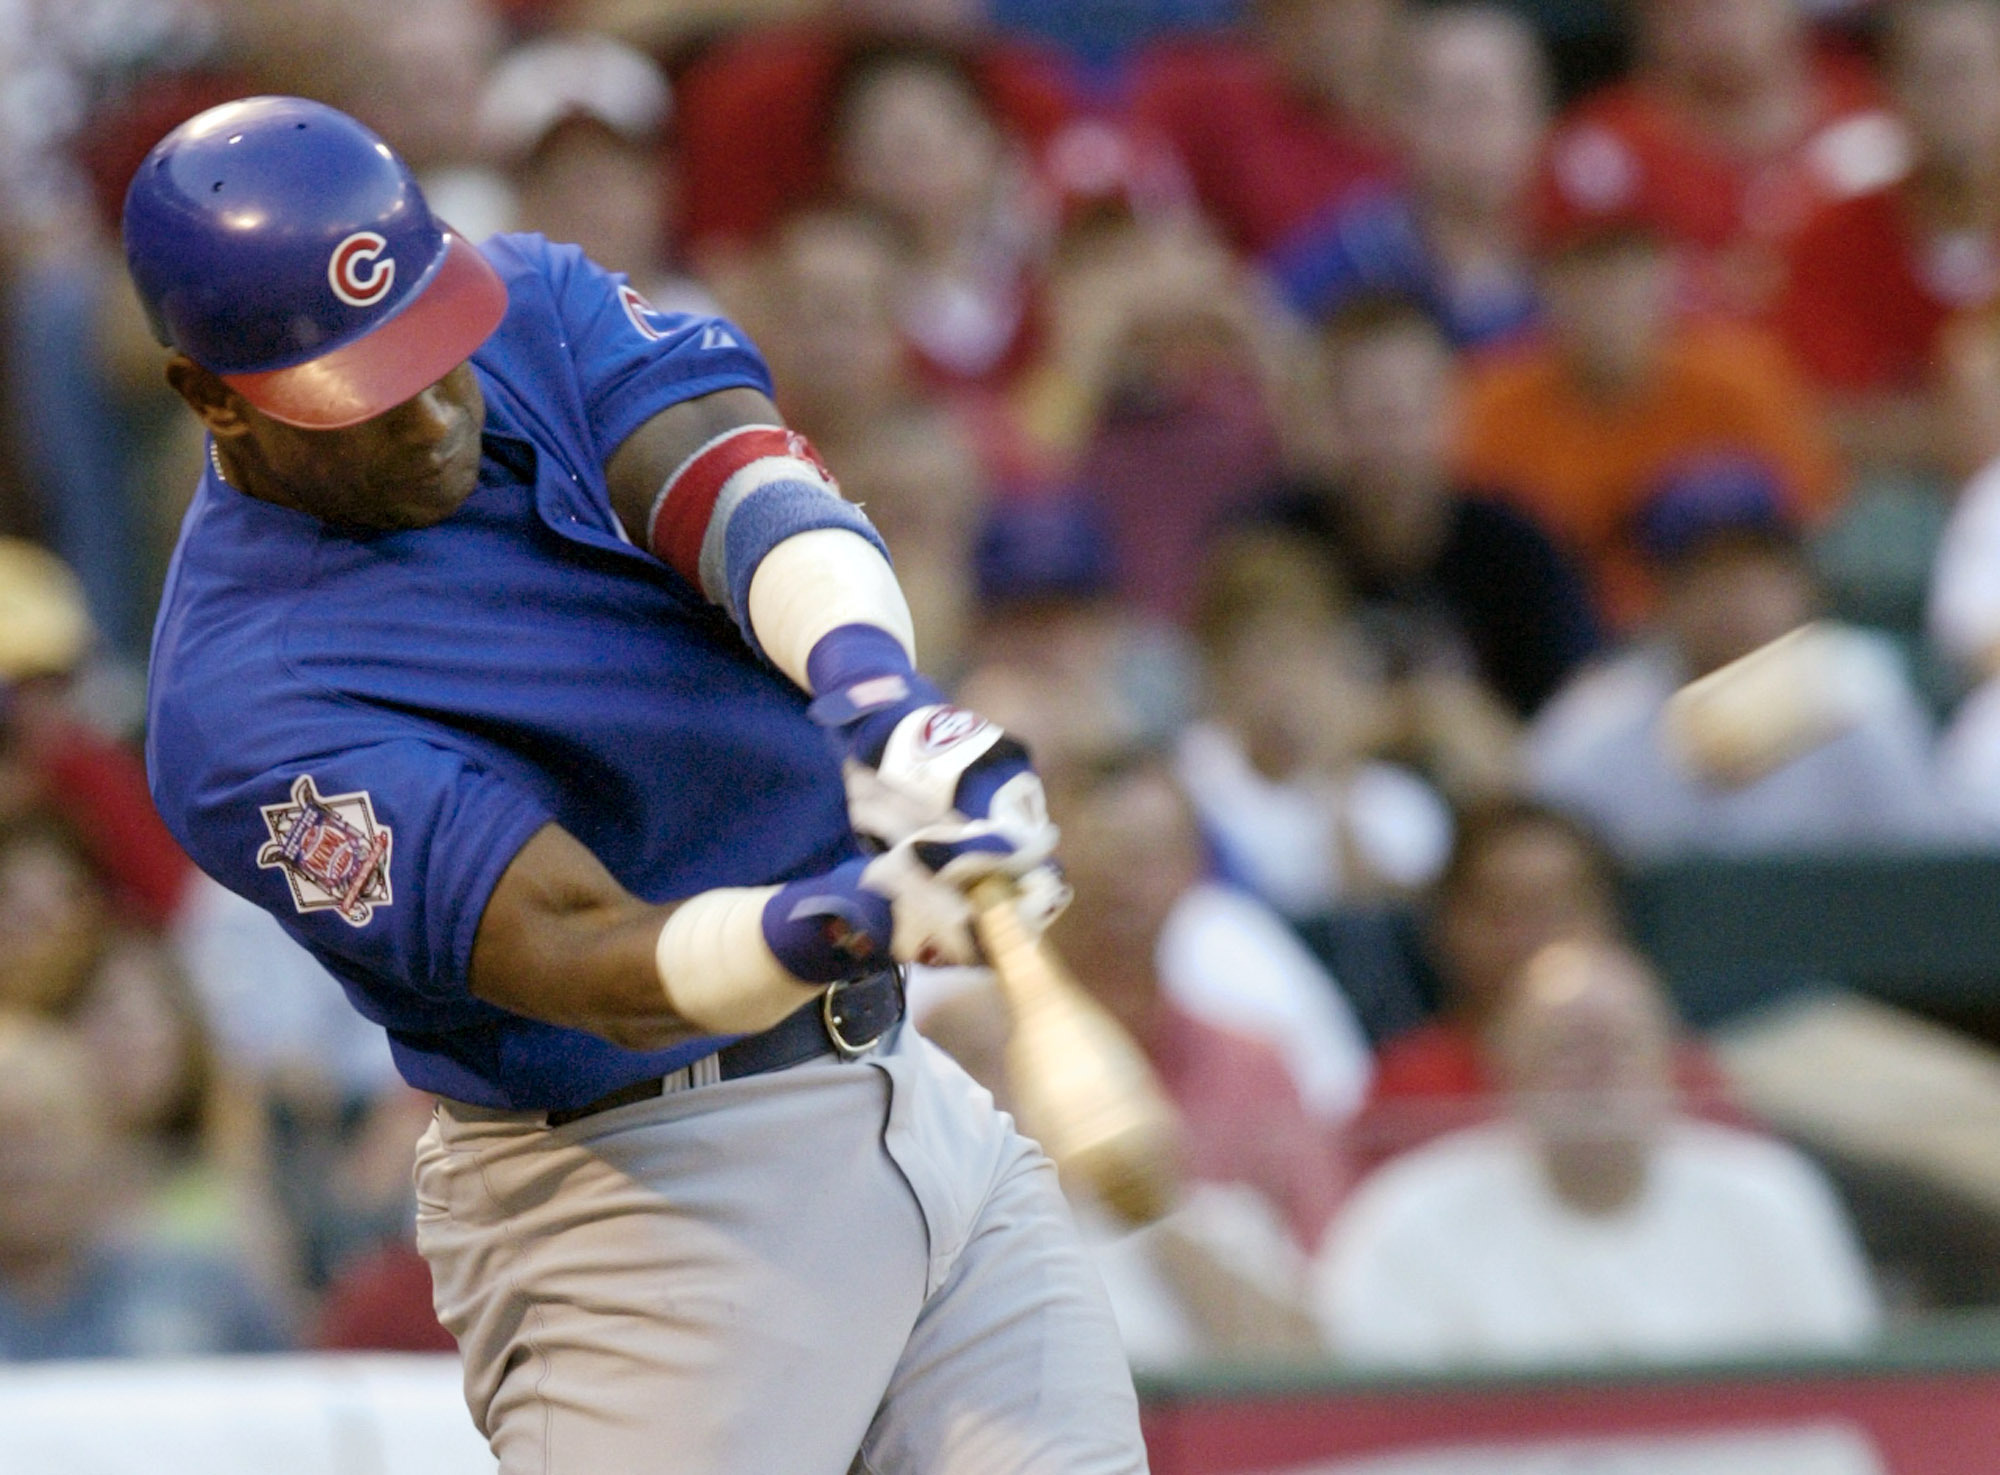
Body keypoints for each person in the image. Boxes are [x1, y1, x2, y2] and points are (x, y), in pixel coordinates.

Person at [125, 98, 1142, 1474]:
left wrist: (882, 702)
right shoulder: (244, 697)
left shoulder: (527, 298)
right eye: (365, 392)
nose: (435, 411)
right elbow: (584, 951)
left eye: (434, 345)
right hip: (647, 1204)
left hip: (908, 1094)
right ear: (209, 394)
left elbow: (736, 480)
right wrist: (852, 915)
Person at [1314, 939, 1881, 1369]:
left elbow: (1838, 1398)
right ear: (1505, 1068)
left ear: (1668, 1062)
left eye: (1618, 1046)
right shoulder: (1410, 1216)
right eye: (1565, 1049)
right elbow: (1376, 1423)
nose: (1595, 1072)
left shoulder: (1770, 1197)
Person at [1769, 0, 2000, 477]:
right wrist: (1964, 428)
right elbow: (1814, 415)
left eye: (1963, 70)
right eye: (1924, 74)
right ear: (1885, 88)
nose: (1949, 97)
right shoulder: (1832, 241)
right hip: (1897, 494)